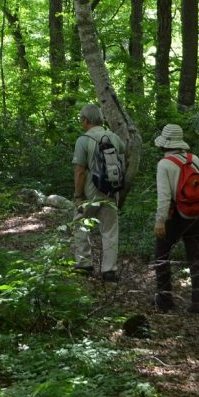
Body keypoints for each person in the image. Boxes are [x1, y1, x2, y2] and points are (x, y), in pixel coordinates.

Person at [153, 124, 199, 313]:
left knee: (161, 255)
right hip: (195, 215)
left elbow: (164, 196)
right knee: (196, 257)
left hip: (173, 216)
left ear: (165, 144)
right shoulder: (194, 160)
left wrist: (160, 220)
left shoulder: (164, 164)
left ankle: (165, 300)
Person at [71, 103, 126, 281]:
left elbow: (79, 171)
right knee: (109, 229)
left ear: (85, 120)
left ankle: (84, 263)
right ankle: (109, 270)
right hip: (111, 190)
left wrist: (78, 196)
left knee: (80, 224)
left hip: (90, 191)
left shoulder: (83, 140)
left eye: (81, 119)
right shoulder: (115, 138)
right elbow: (123, 163)